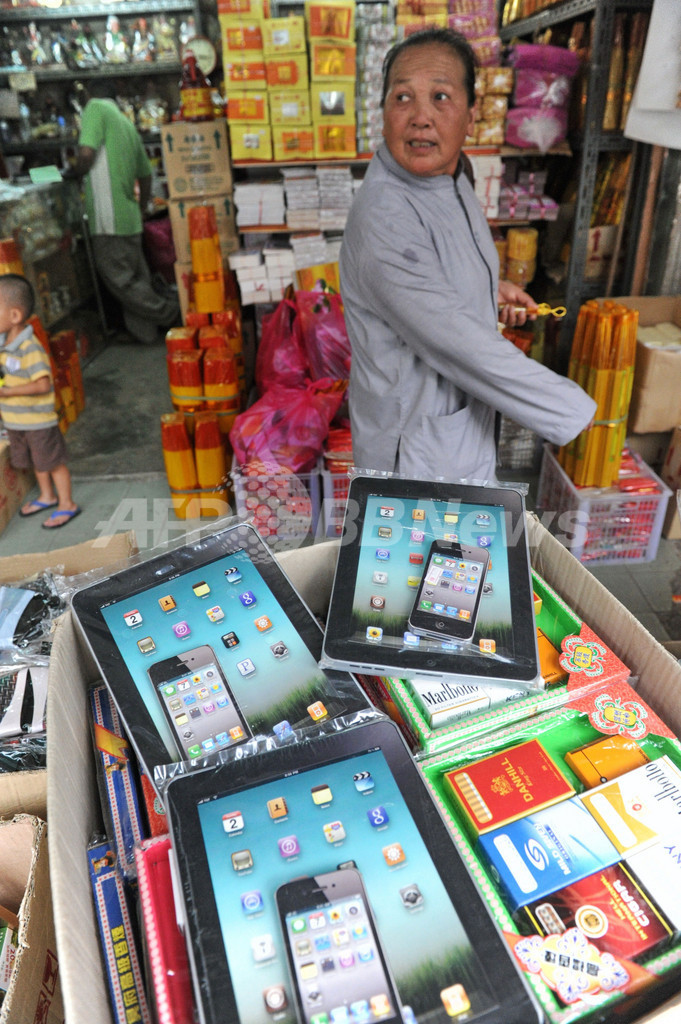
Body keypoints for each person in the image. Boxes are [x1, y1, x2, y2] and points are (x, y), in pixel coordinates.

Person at [339, 28, 597, 482]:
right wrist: (570, 408)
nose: (420, 118)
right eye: (402, 98)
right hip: (415, 448)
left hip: (455, 429)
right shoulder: (384, 215)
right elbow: (456, 341)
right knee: (428, 529)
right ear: (382, 114)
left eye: (440, 97)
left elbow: (431, 275)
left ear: (472, 116)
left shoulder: (454, 175)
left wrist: (486, 289)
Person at [66, 82, 179, 344]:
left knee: (121, 283)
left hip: (108, 219)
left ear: (88, 95)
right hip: (129, 217)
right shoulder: (127, 124)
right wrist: (141, 208)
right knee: (137, 280)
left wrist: (71, 174)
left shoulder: (94, 108)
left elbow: (86, 154)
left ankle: (172, 314)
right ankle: (144, 333)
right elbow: (146, 175)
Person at [0, 274, 80, 529]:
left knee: (52, 463)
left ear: (14, 315)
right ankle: (47, 496)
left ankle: (67, 504)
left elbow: (43, 385)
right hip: (17, 421)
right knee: (37, 461)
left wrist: (7, 393)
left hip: (38, 422)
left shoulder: (30, 348)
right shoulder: (4, 344)